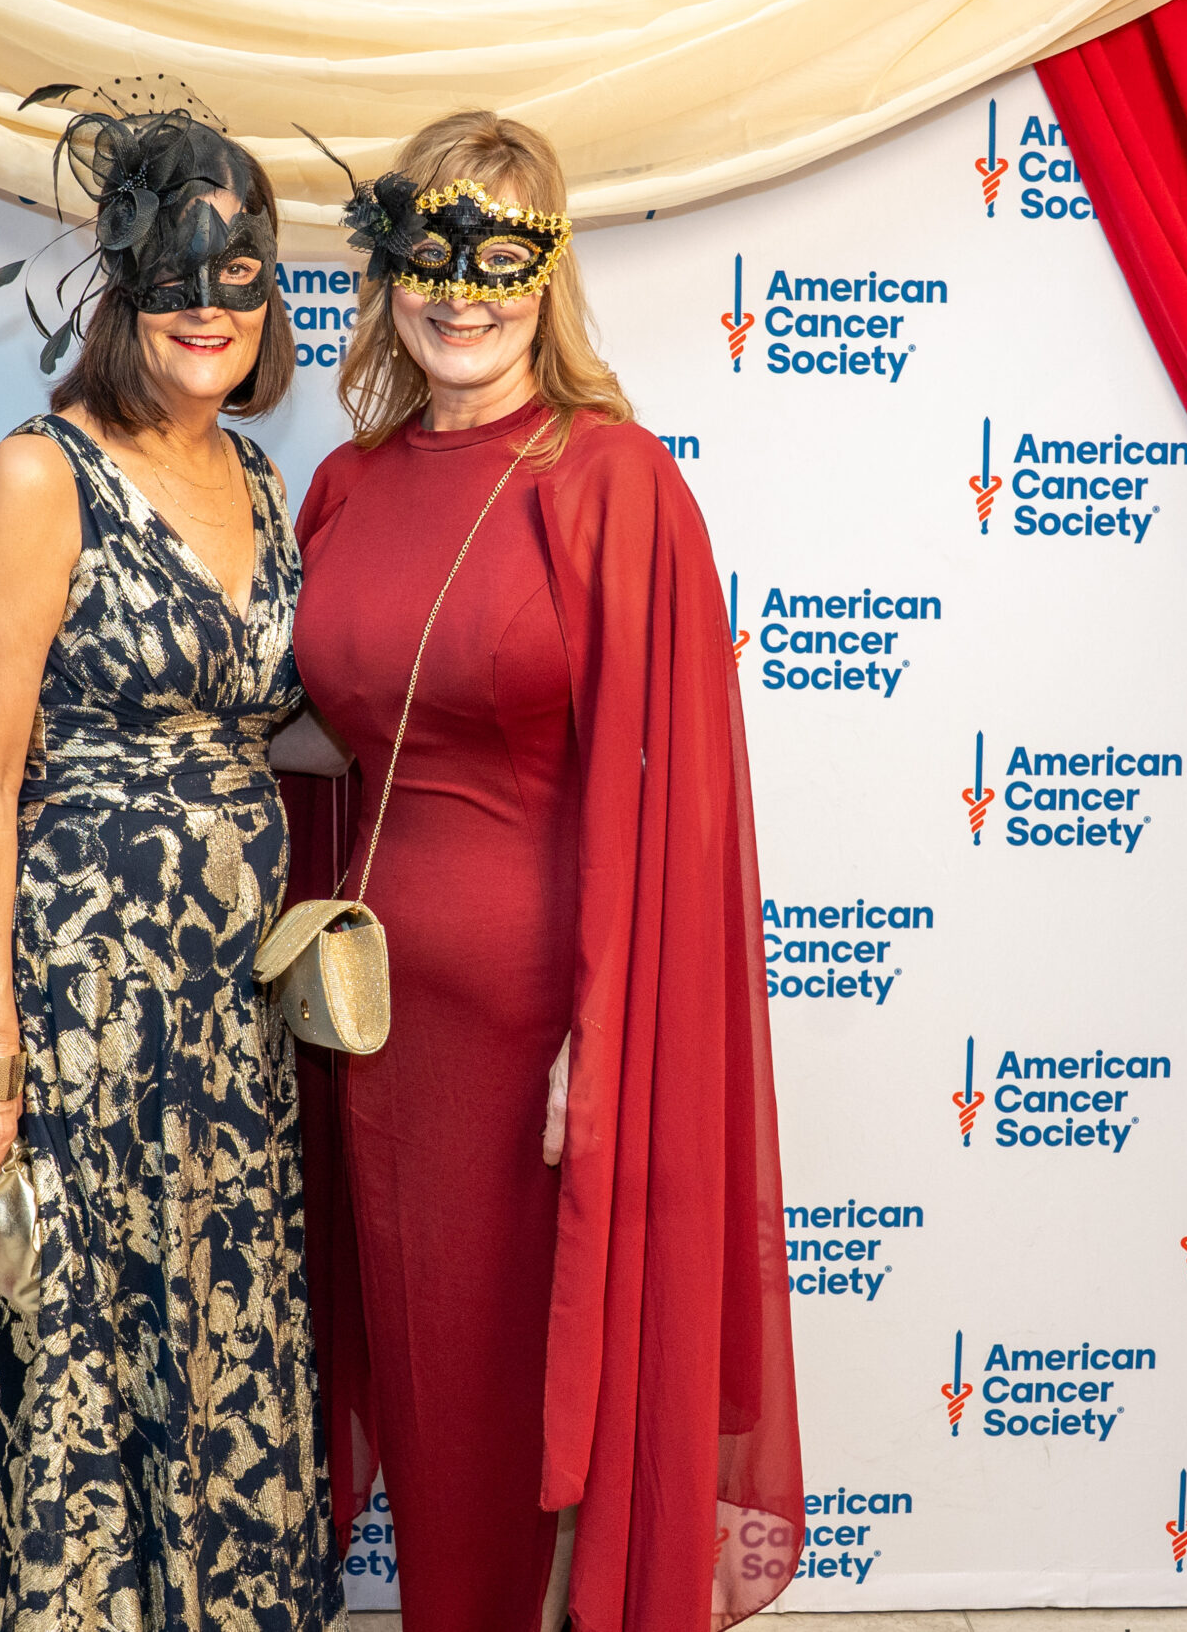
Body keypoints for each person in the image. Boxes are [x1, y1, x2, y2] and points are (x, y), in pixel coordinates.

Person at [284, 112, 803, 1632]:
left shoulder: (611, 480)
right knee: (433, 1389)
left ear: (551, 272)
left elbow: (671, 801)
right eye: (429, 252)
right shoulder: (345, 485)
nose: (462, 291)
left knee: (534, 1398)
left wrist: (607, 1035)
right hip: (367, 1028)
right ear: (384, 272)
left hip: (536, 1034)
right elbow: (326, 736)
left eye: (499, 254)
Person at [0, 104, 343, 1632]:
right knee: (93, 1332)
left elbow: (269, 727)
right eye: (175, 272)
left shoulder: (265, 482)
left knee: (217, 1326)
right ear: (120, 282)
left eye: (241, 273)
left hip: (229, 1016)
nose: (208, 305)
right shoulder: (43, 476)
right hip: (86, 1006)